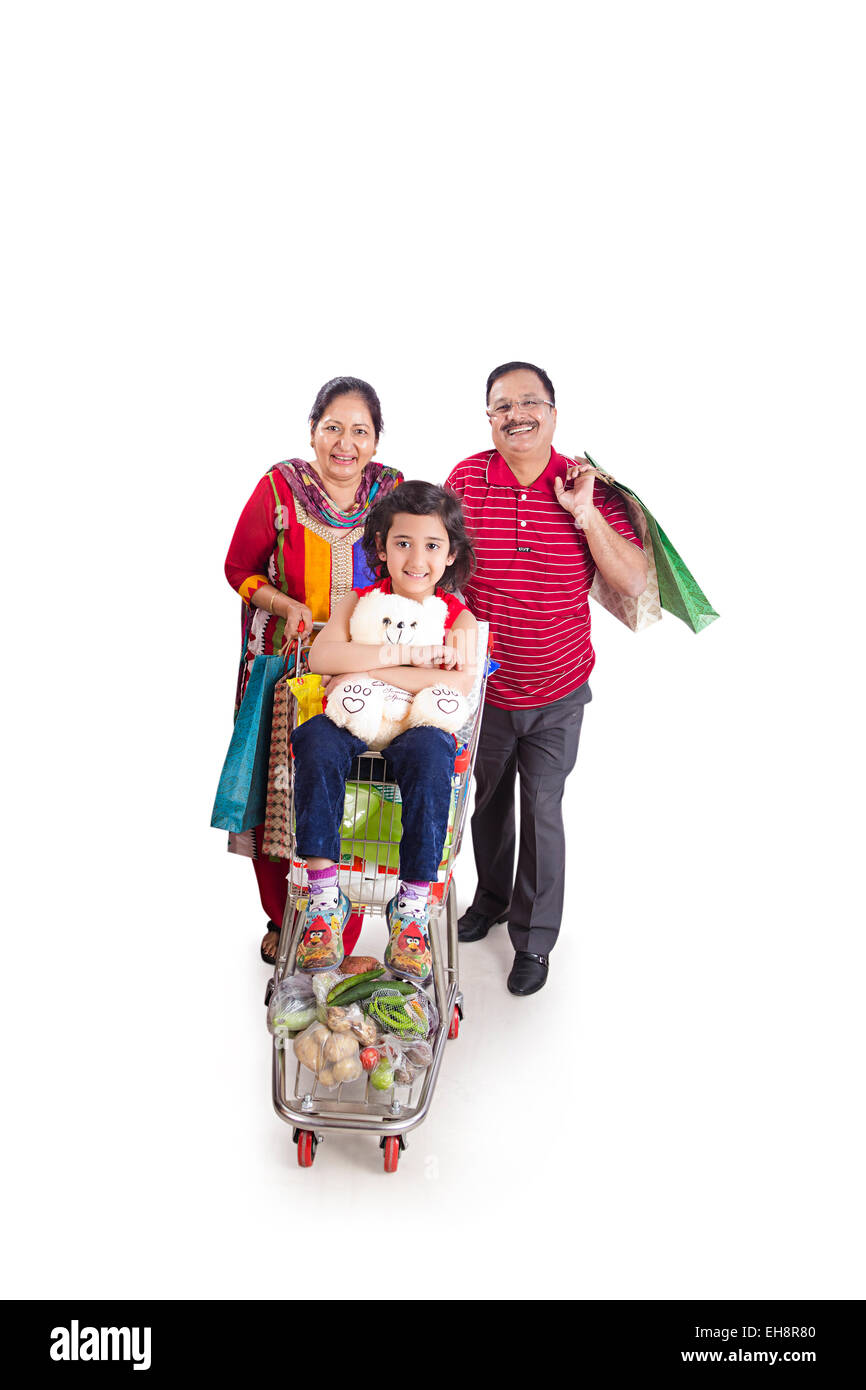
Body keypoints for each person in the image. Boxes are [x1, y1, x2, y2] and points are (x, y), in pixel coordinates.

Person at [445, 362, 648, 997]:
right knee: (485, 804)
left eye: (530, 402)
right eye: (502, 406)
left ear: (554, 414)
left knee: (542, 809)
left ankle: (534, 941)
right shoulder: (466, 480)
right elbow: (439, 567)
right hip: (485, 691)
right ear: (489, 418)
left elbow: (636, 582)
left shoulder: (589, 486)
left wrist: (584, 513)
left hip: (559, 689)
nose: (517, 415)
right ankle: (492, 899)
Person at [223, 377, 402, 964]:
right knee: (279, 794)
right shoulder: (280, 487)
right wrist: (285, 605)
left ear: (376, 442)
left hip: (362, 678)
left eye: (360, 431)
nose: (345, 443)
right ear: (312, 431)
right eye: (333, 428)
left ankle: (337, 929)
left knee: (353, 793)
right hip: (282, 672)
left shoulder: (393, 493)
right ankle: (282, 917)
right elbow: (238, 568)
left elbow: (416, 565)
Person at [290, 481, 478, 981]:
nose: (417, 558)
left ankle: (412, 907)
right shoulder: (358, 602)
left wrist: (365, 666)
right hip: (356, 718)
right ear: (381, 547)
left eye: (432, 545)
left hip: (414, 726)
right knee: (314, 739)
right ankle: (325, 898)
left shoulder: (459, 618)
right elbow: (321, 657)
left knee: (432, 753)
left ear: (451, 553)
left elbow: (457, 682)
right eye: (403, 543)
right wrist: (411, 658)